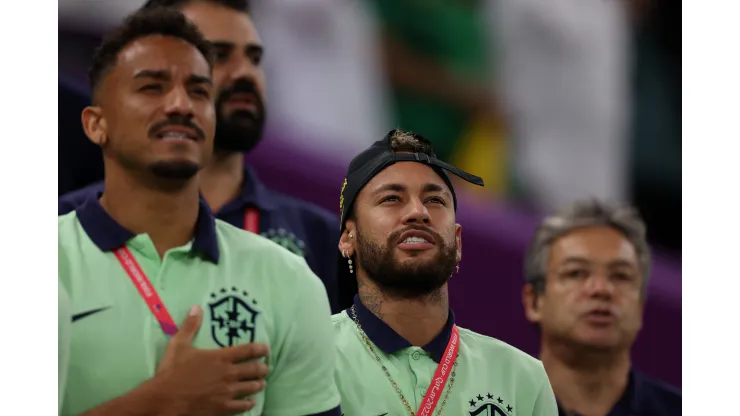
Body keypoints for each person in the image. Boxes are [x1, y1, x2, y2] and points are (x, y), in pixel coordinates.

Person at [57, 8, 340, 416]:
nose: (180, 105)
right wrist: (161, 401)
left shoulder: (293, 276)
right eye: (152, 87)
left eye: (199, 91)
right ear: (96, 124)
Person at [332, 129, 558, 415]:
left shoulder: (523, 379)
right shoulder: (304, 357)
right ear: (347, 237)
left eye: (434, 200)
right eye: (391, 198)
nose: (418, 211)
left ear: (458, 241)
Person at [522, 200, 681, 416]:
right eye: (576, 273)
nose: (601, 289)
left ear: (641, 306)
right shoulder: (487, 405)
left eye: (620, 276)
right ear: (534, 301)